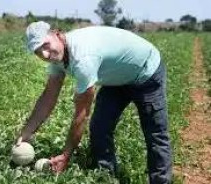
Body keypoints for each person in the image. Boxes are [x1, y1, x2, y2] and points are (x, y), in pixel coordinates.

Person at [15, 21, 172, 184]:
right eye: (38, 51)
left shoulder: (83, 58)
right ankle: (106, 175)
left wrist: (66, 155)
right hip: (117, 78)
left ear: (56, 34)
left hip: (146, 72)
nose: (45, 54)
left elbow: (81, 114)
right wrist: (26, 132)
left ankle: (160, 181)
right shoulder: (58, 58)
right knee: (100, 127)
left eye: (45, 45)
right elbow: (48, 97)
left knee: (155, 132)